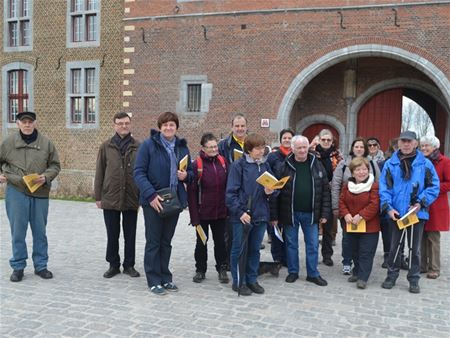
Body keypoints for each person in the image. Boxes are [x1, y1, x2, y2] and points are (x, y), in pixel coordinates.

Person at [134, 111, 193, 296]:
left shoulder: (182, 148)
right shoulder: (148, 146)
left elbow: (190, 172)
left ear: (176, 127)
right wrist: (151, 196)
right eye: (165, 125)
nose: (168, 128)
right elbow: (138, 172)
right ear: (160, 127)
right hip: (154, 201)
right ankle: (153, 280)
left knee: (166, 242)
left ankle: (165, 277)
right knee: (154, 241)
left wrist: (186, 175)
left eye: (172, 125)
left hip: (173, 201)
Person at [0, 111, 61, 282]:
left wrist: (46, 176)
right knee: (18, 232)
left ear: (35, 123)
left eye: (30, 122)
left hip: (39, 192)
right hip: (16, 191)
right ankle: (18, 266)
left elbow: (55, 165)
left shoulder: (46, 143)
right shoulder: (8, 143)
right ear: (18, 123)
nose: (27, 125)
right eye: (23, 122)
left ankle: (41, 266)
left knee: (40, 232)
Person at [380, 130, 439, 294]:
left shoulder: (425, 164)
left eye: (409, 141)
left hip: (416, 213)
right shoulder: (390, 164)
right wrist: (388, 208)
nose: (406, 144)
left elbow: (434, 187)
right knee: (395, 247)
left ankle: (413, 279)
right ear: (399, 143)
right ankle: (391, 276)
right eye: (403, 141)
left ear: (415, 143)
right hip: (397, 213)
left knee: (415, 248)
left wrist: (421, 203)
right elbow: (384, 188)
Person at [271, 135, 330, 286]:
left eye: (304, 147)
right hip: (290, 213)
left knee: (312, 244)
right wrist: (274, 215)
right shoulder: (284, 166)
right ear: (292, 149)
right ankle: (293, 271)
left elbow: (325, 190)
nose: (302, 150)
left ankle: (313, 273)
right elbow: (275, 193)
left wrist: (324, 213)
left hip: (311, 213)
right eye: (299, 148)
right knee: (291, 244)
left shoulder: (316, 164)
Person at [226, 133, 276, 295]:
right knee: (239, 249)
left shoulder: (265, 166)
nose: (261, 151)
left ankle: (252, 279)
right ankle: (238, 280)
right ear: (249, 149)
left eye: (263, 148)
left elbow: (273, 191)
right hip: (242, 215)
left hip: (261, 214)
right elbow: (230, 194)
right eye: (258, 149)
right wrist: (240, 212)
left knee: (254, 249)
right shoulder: (238, 166)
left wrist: (270, 192)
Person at [94, 112, 140, 279]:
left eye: (126, 123)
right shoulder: (106, 146)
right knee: (112, 233)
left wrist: (141, 195)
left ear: (130, 124)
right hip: (110, 196)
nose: (123, 126)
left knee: (130, 233)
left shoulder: (138, 146)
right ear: (114, 125)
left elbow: (142, 172)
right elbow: (100, 171)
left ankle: (129, 265)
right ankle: (113, 264)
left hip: (131, 196)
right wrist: (98, 196)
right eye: (120, 123)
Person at [331, 137, 380, 275]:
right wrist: (338, 209)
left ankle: (360, 270)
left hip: (366, 213)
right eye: (356, 146)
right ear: (352, 148)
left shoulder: (372, 164)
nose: (359, 149)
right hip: (347, 210)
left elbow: (378, 185)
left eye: (362, 147)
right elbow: (336, 186)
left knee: (363, 244)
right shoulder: (343, 164)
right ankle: (347, 261)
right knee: (348, 239)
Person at [187, 133, 229, 284]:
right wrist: (194, 217)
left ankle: (222, 269)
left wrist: (228, 209)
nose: (213, 149)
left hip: (220, 212)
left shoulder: (223, 162)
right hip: (202, 213)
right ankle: (200, 270)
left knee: (221, 243)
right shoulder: (196, 165)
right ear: (203, 148)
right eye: (210, 147)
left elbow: (228, 187)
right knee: (201, 243)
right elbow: (191, 193)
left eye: (215, 146)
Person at [339, 157, 380, 289]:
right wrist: (346, 214)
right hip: (352, 224)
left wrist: (361, 215)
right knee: (354, 250)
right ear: (352, 172)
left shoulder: (374, 186)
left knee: (366, 252)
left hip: (369, 226)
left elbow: (374, 204)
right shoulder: (347, 186)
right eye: (358, 169)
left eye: (364, 169)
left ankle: (363, 277)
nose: (361, 172)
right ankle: (356, 272)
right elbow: (341, 202)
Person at [419, 135, 450, 279]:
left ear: (435, 147)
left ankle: (434, 268)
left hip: (436, 205)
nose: (424, 148)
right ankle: (422, 265)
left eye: (427, 146)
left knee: (433, 237)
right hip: (421, 203)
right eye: (422, 146)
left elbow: (449, 183)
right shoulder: (420, 161)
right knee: (422, 235)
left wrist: (433, 188)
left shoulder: (444, 162)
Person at [314, 129, 342, 267]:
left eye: (328, 140)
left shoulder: (337, 156)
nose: (326, 142)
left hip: (330, 194)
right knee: (313, 227)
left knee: (328, 228)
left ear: (332, 141)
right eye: (323, 139)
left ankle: (327, 255)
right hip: (315, 194)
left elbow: (341, 175)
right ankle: (312, 254)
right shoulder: (312, 155)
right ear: (319, 140)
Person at [266, 128, 295, 266]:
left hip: (291, 199)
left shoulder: (297, 155)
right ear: (281, 139)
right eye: (285, 138)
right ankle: (277, 257)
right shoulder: (273, 157)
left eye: (290, 138)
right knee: (276, 229)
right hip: (276, 198)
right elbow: (268, 174)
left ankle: (287, 258)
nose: (287, 140)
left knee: (289, 232)